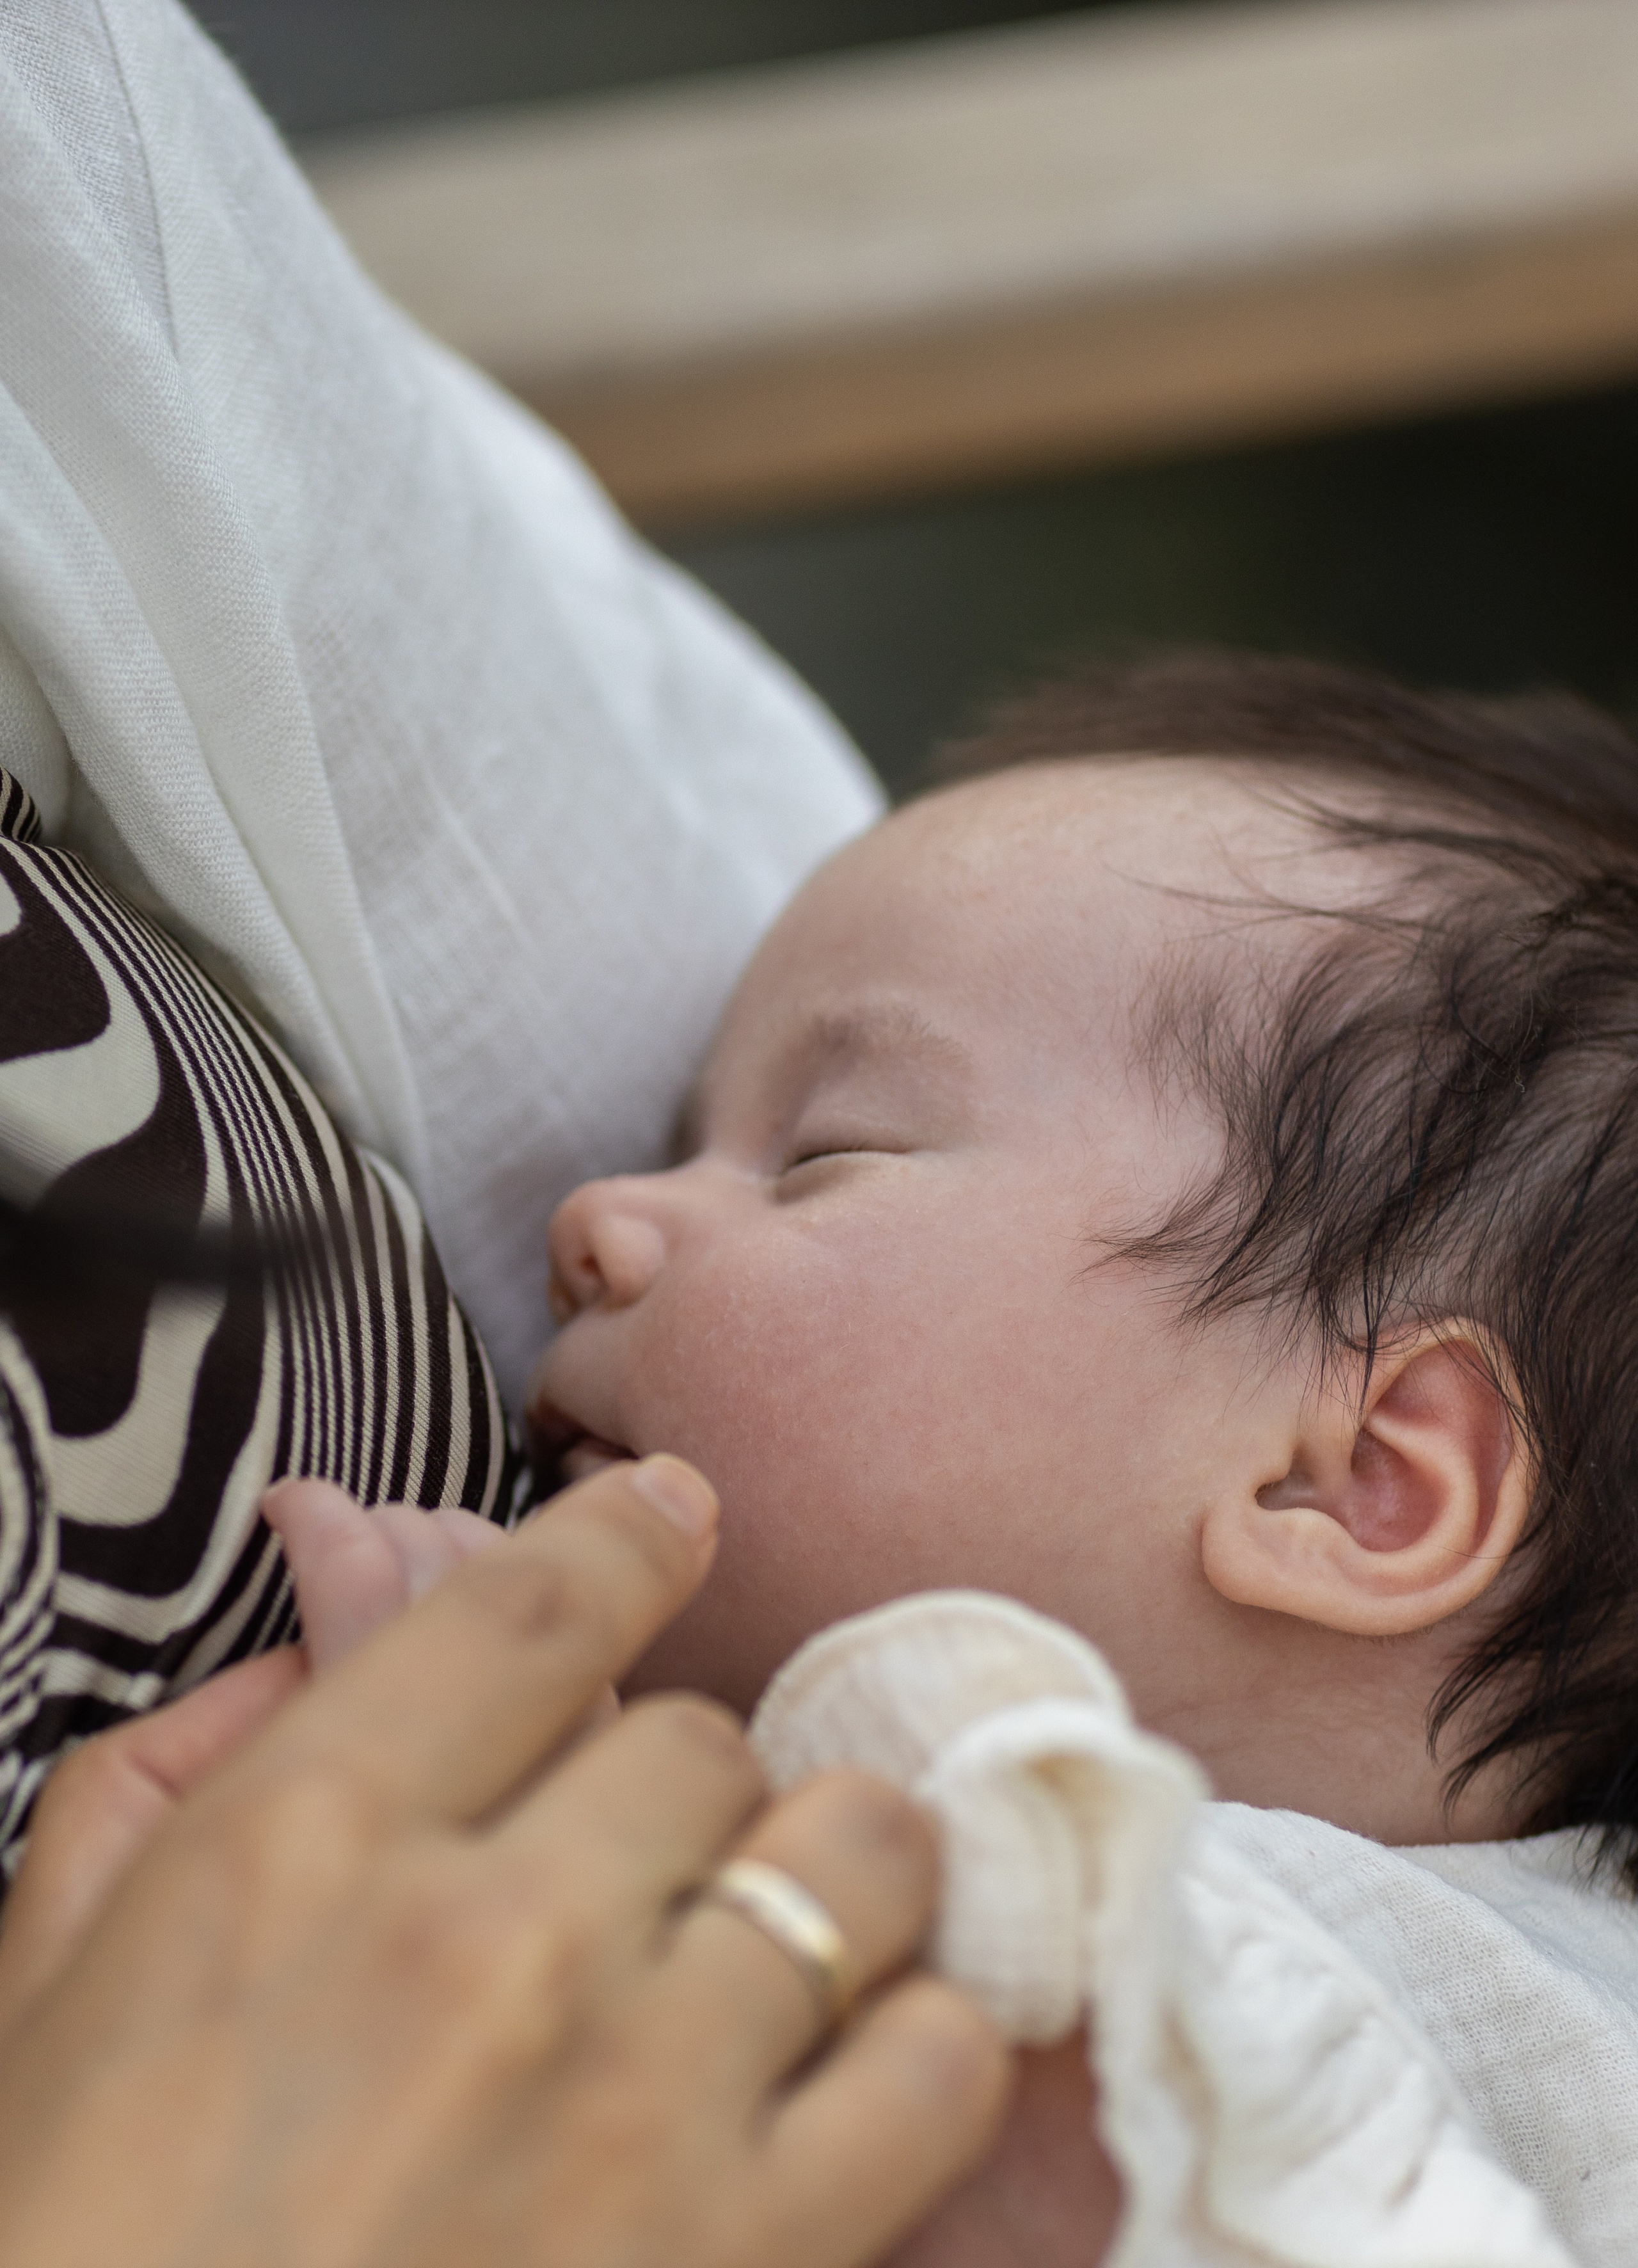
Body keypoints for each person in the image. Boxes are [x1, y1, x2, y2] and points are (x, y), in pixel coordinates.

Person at [274, 653, 1638, 2264]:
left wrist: (482, 1809)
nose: (592, 1222)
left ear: (1349, 1485)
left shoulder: (1201, 1988)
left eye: (825, 1152)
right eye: (677, 1140)